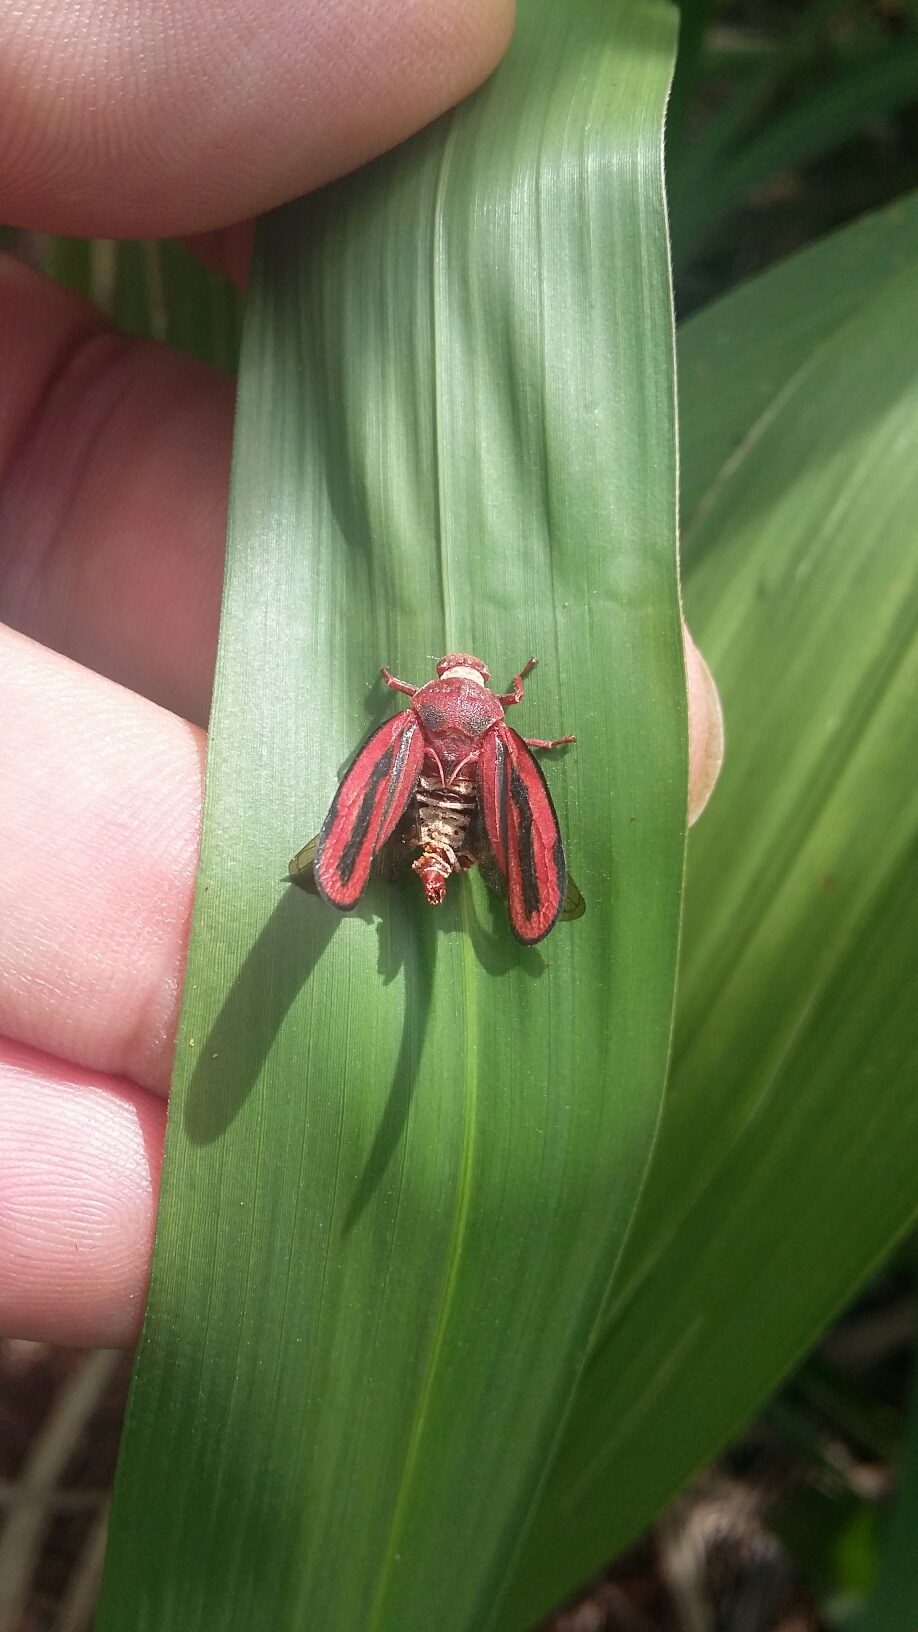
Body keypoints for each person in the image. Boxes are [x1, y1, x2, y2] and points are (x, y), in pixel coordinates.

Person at [0, 0, 722, 1348]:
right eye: (453, 700)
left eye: (453, 701)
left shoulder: (418, 728)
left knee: (382, 841)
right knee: (502, 852)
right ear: (480, 699)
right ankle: (486, 882)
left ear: (446, 699)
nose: (450, 704)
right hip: (466, 803)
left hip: (406, 811)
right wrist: (501, 764)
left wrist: (416, 777)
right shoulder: (495, 731)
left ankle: (411, 869)